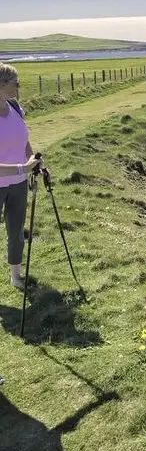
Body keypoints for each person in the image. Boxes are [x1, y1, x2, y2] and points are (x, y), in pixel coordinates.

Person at [0, 64, 41, 289]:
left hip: (18, 184)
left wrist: (33, 162)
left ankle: (15, 277)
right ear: (2, 85)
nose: (19, 86)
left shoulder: (15, 106)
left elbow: (23, 140)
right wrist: (21, 168)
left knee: (16, 232)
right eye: (15, 82)